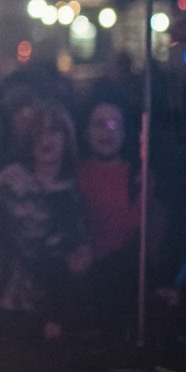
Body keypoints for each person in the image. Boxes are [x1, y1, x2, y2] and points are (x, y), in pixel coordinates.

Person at [0, 100, 92, 342]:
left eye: (53, 131)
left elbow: (77, 252)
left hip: (52, 305)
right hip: (4, 300)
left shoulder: (73, 190)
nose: (46, 139)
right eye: (39, 133)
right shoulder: (10, 180)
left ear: (66, 138)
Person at [76, 99, 153, 340]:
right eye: (99, 124)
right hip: (79, 287)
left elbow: (139, 234)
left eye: (114, 124)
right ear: (86, 131)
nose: (107, 132)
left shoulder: (139, 176)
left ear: (125, 132)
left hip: (123, 286)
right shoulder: (71, 172)